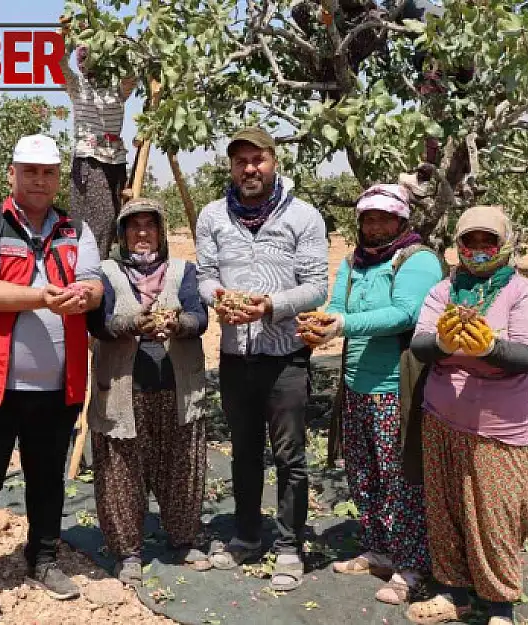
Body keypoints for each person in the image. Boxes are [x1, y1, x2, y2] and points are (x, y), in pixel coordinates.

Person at [0, 134, 103, 622]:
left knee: (47, 478)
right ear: (11, 174)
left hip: (59, 385)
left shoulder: (76, 229)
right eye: (30, 171)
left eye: (49, 172)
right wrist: (45, 297)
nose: (40, 180)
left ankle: (43, 559)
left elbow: (95, 282)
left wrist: (87, 296)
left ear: (59, 178)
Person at [195, 126, 329, 592]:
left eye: (258, 160)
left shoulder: (304, 217)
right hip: (236, 356)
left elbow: (317, 285)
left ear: (275, 162)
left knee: (290, 455)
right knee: (244, 451)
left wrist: (271, 306)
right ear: (231, 167)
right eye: (240, 162)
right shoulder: (213, 217)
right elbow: (205, 275)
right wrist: (218, 297)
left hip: (284, 356)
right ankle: (247, 535)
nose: (249, 169)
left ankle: (290, 546)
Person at [404, 205, 528, 625]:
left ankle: (500, 606)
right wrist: (445, 344)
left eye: (489, 241)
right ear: (459, 245)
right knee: (445, 509)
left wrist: (490, 348)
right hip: (442, 419)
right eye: (471, 241)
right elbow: (421, 344)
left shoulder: (523, 293)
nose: (479, 250)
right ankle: (454, 594)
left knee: (495, 517)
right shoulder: (445, 290)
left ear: (505, 245)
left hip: (500, 428)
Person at [301, 184, 444, 605]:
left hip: (395, 389)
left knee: (402, 480)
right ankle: (379, 549)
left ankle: (411, 566)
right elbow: (337, 307)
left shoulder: (416, 260)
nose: (375, 225)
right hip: (357, 385)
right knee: (364, 475)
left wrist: (342, 325)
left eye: (384, 217)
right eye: (368, 217)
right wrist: (319, 323)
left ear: (401, 221)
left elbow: (406, 314)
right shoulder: (353, 261)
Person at [85, 197, 211, 586]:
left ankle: (183, 540)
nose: (142, 233)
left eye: (150, 226)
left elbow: (200, 317)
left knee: (181, 466)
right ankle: (128, 552)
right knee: (120, 471)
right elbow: (97, 323)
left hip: (176, 387)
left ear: (160, 232)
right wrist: (129, 322)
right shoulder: (104, 273)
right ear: (122, 235)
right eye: (133, 227)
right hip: (124, 389)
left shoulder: (182, 270)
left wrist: (178, 324)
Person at [59, 22, 138, 257]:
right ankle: (94, 269)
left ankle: (106, 268)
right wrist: (65, 37)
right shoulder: (77, 86)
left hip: (116, 159)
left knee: (116, 217)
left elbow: (131, 72)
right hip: (89, 159)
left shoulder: (118, 88)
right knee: (98, 221)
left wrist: (116, 40)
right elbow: (59, 63)